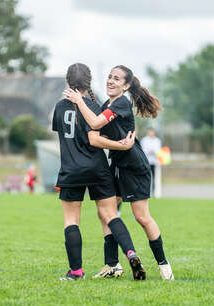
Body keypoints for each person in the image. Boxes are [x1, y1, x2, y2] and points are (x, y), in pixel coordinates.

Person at [64, 65, 174, 280]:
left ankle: (164, 265)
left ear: (125, 86)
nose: (110, 81)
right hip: (116, 164)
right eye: (109, 77)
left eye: (116, 79)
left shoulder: (122, 103)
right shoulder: (108, 104)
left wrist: (78, 101)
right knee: (106, 211)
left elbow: (95, 123)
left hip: (134, 167)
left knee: (141, 217)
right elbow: (95, 135)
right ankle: (112, 264)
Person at [53, 63, 145, 281]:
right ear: (89, 82)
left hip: (71, 170)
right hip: (97, 169)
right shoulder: (95, 108)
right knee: (111, 215)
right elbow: (97, 137)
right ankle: (130, 253)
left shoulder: (59, 107)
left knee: (71, 220)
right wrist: (122, 145)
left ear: (68, 81)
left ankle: (76, 272)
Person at [141, 128, 161, 194]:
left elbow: (158, 150)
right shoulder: (144, 140)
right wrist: (149, 151)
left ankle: (153, 191)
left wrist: (154, 151)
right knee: (146, 177)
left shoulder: (157, 140)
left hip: (154, 162)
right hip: (146, 162)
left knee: (154, 177)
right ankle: (146, 191)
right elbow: (143, 150)